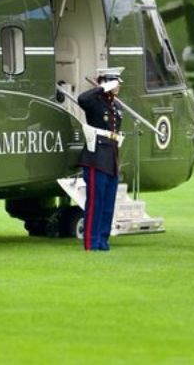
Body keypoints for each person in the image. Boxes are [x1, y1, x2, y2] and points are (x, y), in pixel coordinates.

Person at [77, 67, 125, 251]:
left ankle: (103, 240)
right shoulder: (95, 102)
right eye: (114, 82)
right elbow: (82, 99)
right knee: (95, 202)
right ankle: (91, 241)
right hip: (96, 158)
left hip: (111, 158)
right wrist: (102, 87)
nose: (118, 86)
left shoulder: (116, 106)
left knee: (108, 204)